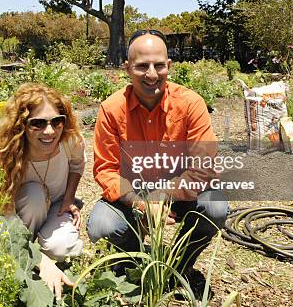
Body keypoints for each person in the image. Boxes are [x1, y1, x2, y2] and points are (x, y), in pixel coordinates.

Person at [86, 29, 229, 297]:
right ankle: (135, 265)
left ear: (169, 66)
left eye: (158, 65)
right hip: (134, 193)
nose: (152, 74)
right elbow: (106, 170)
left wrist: (163, 195)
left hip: (181, 192)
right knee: (102, 225)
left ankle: (180, 266)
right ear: (127, 68)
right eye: (142, 66)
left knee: (216, 207)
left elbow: (203, 166)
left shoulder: (190, 104)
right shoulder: (111, 109)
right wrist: (142, 203)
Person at [0, 83, 86, 300]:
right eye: (37, 123)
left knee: (63, 248)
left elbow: (77, 166)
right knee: (35, 196)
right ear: (21, 126)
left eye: (57, 121)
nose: (50, 131)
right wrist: (42, 261)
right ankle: (26, 257)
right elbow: (4, 216)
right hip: (19, 213)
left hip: (55, 203)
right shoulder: (3, 158)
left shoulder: (70, 141)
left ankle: (38, 253)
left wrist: (68, 199)